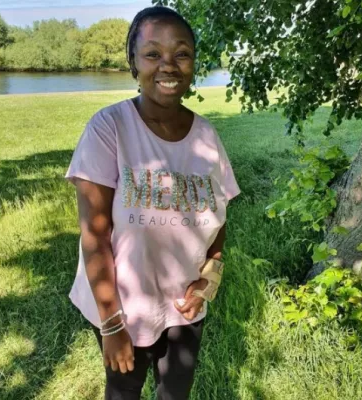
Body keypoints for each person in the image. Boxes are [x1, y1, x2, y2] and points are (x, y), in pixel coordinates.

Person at [65, 5, 240, 400]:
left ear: (193, 63)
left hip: (184, 303)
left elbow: (219, 211)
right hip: (124, 307)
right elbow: (94, 234)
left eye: (181, 54)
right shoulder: (108, 129)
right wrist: (111, 326)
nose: (169, 65)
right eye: (152, 54)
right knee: (124, 391)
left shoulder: (207, 137)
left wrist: (210, 276)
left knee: (176, 393)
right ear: (133, 63)